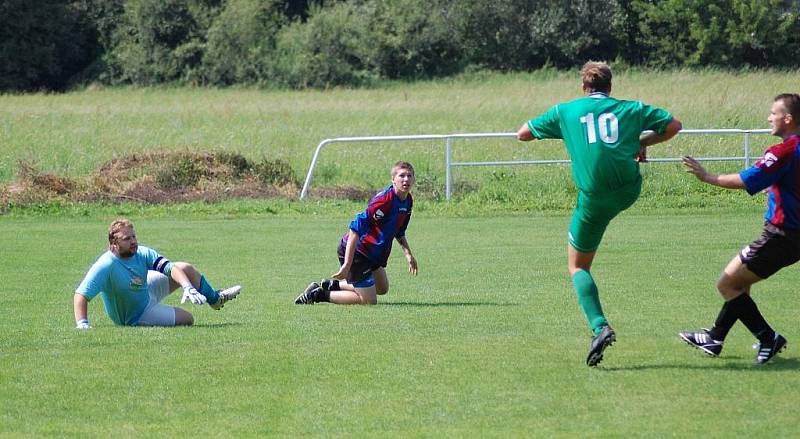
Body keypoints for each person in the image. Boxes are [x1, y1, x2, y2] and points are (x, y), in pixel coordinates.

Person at [516, 61, 682, 366]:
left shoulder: (566, 111)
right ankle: (599, 326)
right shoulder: (631, 108)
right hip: (628, 189)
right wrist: (641, 141)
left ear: (583, 86)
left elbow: (523, 134)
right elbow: (673, 126)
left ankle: (599, 326)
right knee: (601, 219)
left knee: (578, 266)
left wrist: (566, 130)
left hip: (594, 197)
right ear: (610, 87)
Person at [679, 93, 800, 365]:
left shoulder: (783, 151)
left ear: (788, 119)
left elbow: (749, 180)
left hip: (780, 236)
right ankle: (715, 337)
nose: (769, 117)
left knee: (727, 284)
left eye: (774, 113)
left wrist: (707, 176)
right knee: (740, 283)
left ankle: (768, 338)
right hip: (793, 238)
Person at [73, 218, 241, 328]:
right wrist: (82, 324)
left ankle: (215, 299)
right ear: (113, 245)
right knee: (188, 319)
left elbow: (170, 268)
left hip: (146, 290)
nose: (133, 242)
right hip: (136, 315)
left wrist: (187, 287)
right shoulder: (106, 265)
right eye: (127, 239)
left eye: (133, 236)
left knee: (184, 268)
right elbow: (81, 295)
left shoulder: (142, 253)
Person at [295, 161, 418, 305]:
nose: (406, 179)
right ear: (393, 180)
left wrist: (408, 254)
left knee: (382, 288)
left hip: (373, 254)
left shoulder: (407, 201)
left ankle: (333, 286)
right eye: (401, 176)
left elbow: (399, 230)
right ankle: (318, 295)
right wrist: (347, 264)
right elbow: (355, 229)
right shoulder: (384, 201)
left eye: (409, 176)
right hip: (359, 252)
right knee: (369, 301)